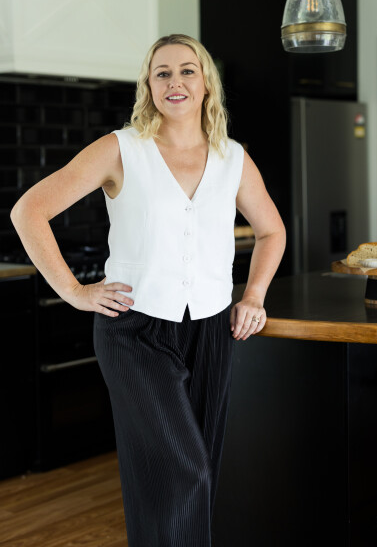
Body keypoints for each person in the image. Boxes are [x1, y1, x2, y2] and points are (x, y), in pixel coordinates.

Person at [11, 33, 286, 546]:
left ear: (206, 83)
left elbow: (272, 231)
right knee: (186, 470)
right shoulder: (121, 149)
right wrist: (73, 291)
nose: (175, 81)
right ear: (149, 86)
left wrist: (254, 296)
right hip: (134, 332)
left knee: (192, 476)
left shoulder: (232, 158)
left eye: (187, 70)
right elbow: (28, 210)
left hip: (212, 330)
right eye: (162, 73)